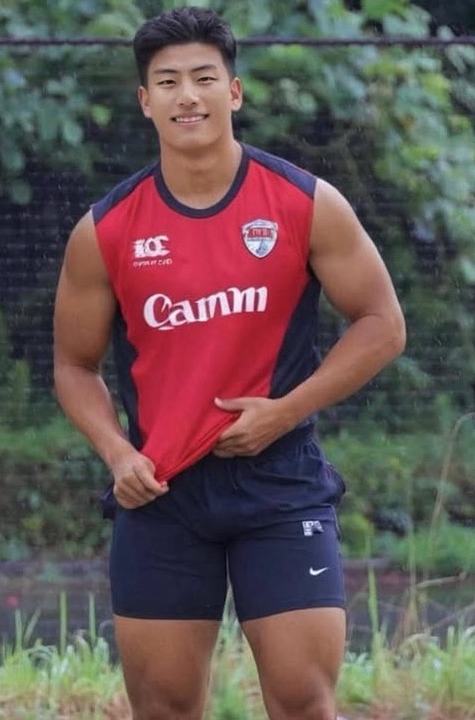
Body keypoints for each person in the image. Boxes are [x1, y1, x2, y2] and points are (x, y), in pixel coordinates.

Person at [53, 6, 406, 720]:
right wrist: (118, 454)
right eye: (168, 82)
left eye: (204, 78)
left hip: (280, 486)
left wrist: (285, 412)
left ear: (234, 92)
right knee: (163, 706)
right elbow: (73, 366)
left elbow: (382, 324)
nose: (188, 96)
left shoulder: (305, 202)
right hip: (162, 496)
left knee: (304, 702)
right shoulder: (106, 229)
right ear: (145, 101)